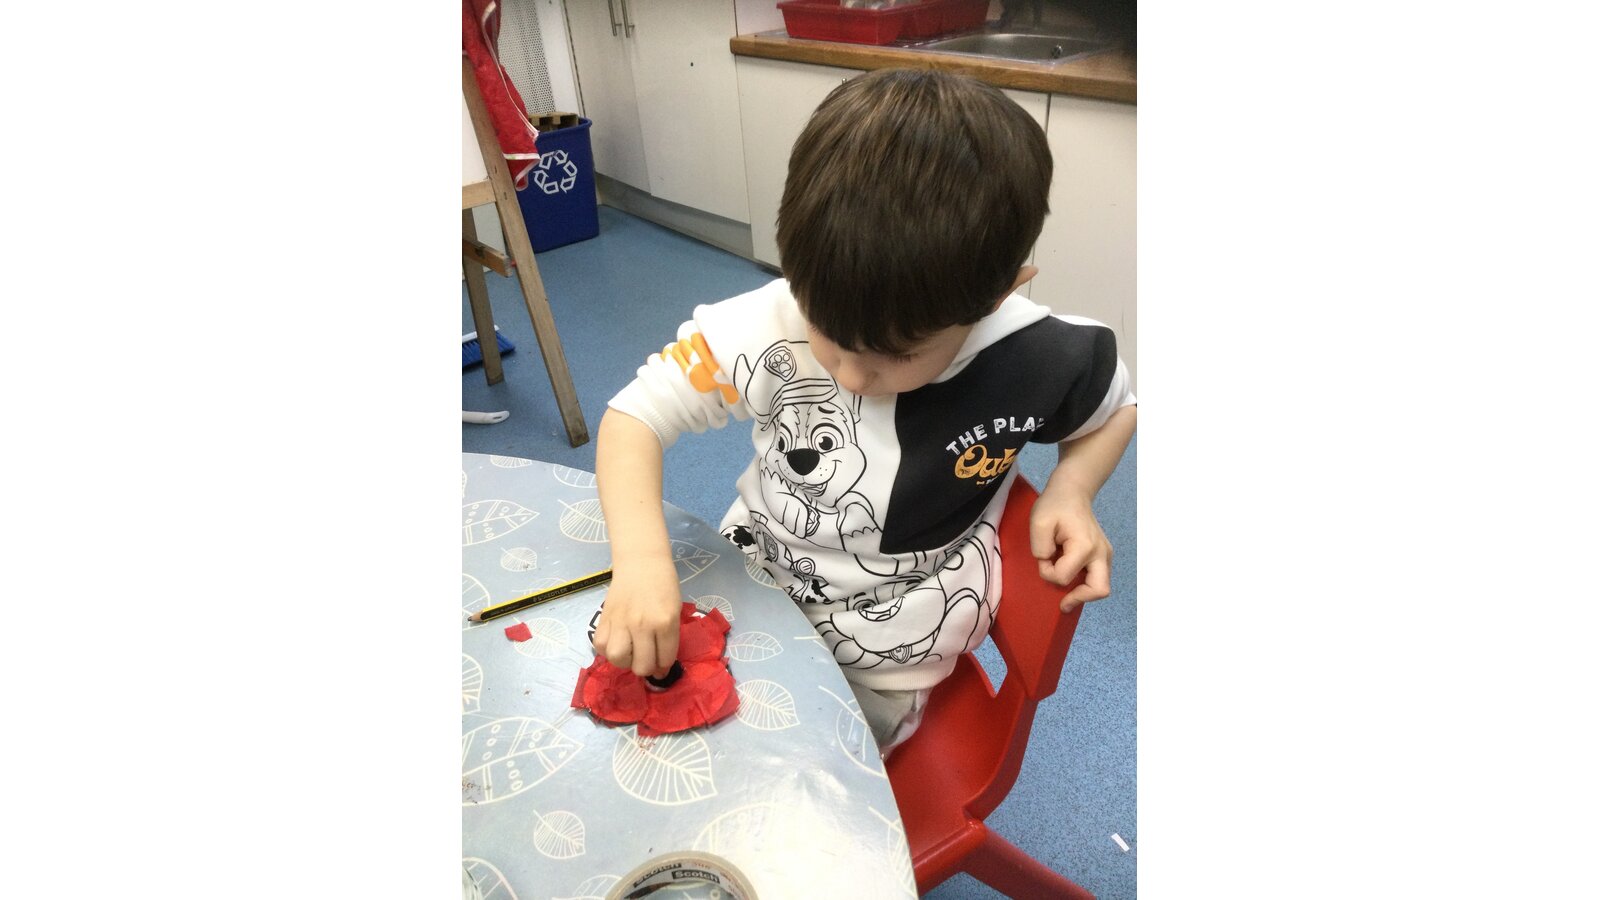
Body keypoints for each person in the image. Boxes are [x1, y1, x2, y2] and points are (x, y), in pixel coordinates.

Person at [591, 67, 1136, 755]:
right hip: (754, 580)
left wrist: (1073, 488)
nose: (849, 375)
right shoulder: (774, 318)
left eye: (895, 355)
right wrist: (641, 560)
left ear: (998, 296)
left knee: (754, 772)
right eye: (826, 334)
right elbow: (635, 416)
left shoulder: (1039, 355)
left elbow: (1117, 407)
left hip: (881, 658)